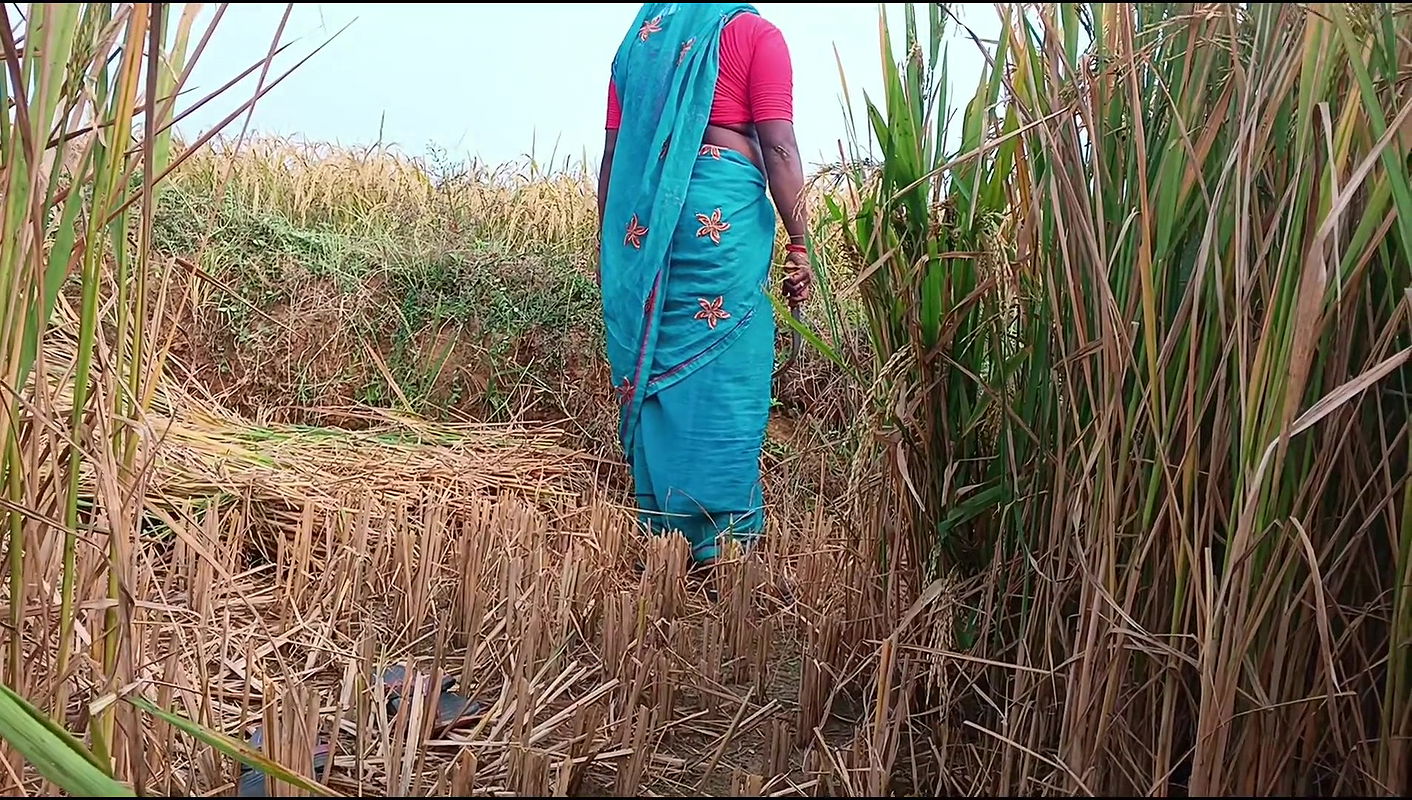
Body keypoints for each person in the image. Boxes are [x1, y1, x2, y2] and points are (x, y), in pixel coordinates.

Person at [596, 2, 812, 570]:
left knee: (660, 359)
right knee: (732, 358)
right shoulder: (755, 36)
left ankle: (663, 526)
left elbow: (614, 157)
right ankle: (721, 539)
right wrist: (800, 240)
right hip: (720, 219)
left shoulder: (639, 46)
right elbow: (779, 145)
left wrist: (619, 251)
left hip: (650, 229)